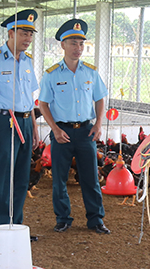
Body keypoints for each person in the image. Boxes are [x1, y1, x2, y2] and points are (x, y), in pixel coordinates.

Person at [38, 18, 110, 234]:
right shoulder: (51, 74)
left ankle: (96, 219)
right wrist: (55, 129)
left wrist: (98, 123)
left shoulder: (91, 72)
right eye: (73, 43)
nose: (78, 48)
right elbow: (43, 104)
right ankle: (63, 218)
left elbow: (99, 99)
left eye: (81, 43)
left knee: (91, 178)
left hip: (86, 131)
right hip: (62, 132)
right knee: (59, 178)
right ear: (62, 45)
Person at [0, 9, 40, 242]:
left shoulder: (28, 61)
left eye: (31, 35)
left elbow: (30, 97)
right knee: (2, 177)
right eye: (24, 33)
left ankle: (16, 227)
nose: (28, 39)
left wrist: (34, 127)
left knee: (22, 177)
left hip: (25, 121)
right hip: (4, 122)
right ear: (11, 32)